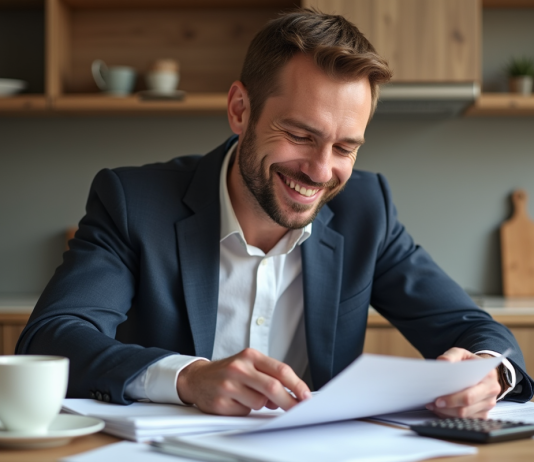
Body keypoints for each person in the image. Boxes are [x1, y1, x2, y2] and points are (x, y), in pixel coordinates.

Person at [17, 9, 532, 419]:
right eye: (301, 136)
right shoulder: (134, 201)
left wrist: (489, 371)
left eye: (345, 148)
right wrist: (188, 378)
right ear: (240, 110)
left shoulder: (366, 210)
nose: (320, 171)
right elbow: (53, 336)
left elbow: (473, 329)